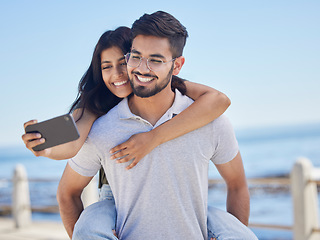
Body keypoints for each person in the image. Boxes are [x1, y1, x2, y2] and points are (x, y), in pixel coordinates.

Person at [57, 11, 257, 240]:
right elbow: (66, 182)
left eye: (156, 60)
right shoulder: (97, 119)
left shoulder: (210, 121)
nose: (142, 69)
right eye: (135, 56)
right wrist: (42, 142)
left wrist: (152, 137)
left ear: (177, 65)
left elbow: (238, 185)